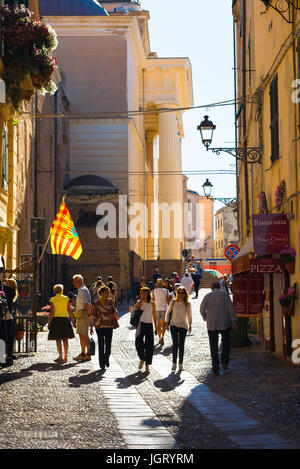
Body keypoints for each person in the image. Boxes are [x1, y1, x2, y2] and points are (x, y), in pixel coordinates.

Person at [200, 282, 237, 376]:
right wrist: (234, 321)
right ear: (219, 287)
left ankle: (215, 366)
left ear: (211, 288)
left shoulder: (207, 296)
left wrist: (205, 317)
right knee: (226, 342)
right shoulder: (225, 295)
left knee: (213, 345)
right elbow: (230, 308)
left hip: (212, 323)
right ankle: (224, 361)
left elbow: (201, 309)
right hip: (224, 322)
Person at [165, 286, 192, 373]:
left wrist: (190, 325)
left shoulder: (187, 303)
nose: (180, 294)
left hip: (183, 325)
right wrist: (166, 323)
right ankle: (174, 364)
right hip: (173, 324)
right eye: (179, 292)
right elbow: (168, 312)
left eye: (182, 293)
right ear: (177, 293)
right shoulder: (173, 301)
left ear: (185, 294)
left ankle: (180, 364)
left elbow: (189, 315)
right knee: (175, 344)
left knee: (181, 345)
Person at [92, 285, 119, 371]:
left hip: (109, 325)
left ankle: (106, 357)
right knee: (101, 344)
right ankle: (102, 363)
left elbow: (114, 310)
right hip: (99, 326)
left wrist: (116, 314)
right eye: (105, 293)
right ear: (101, 293)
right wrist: (91, 327)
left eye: (108, 293)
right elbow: (93, 315)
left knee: (108, 345)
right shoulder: (97, 303)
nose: (107, 294)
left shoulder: (111, 301)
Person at [48, 284, 76, 363]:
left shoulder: (52, 299)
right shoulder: (66, 298)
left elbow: (52, 312)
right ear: (62, 290)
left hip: (56, 320)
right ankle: (65, 356)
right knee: (65, 339)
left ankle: (60, 356)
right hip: (65, 320)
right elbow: (69, 311)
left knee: (58, 339)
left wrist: (49, 322)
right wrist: (73, 321)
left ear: (54, 291)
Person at [134, 287, 157, 373]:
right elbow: (135, 307)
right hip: (141, 324)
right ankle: (142, 358)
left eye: (142, 293)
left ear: (147, 293)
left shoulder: (152, 304)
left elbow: (154, 315)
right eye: (140, 293)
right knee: (138, 342)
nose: (140, 294)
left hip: (149, 325)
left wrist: (156, 326)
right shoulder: (140, 302)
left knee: (149, 345)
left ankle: (147, 364)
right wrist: (141, 299)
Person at [73, 274, 93, 361]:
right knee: (82, 334)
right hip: (82, 314)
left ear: (80, 281)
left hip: (83, 314)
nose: (74, 283)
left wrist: (89, 315)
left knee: (84, 334)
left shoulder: (82, 290)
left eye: (75, 281)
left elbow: (86, 304)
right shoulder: (83, 290)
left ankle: (87, 353)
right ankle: (83, 353)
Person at [0, 278, 19, 366]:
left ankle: (6, 357)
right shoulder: (13, 292)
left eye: (7, 282)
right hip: (8, 316)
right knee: (8, 336)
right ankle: (8, 356)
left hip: (6, 316)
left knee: (5, 336)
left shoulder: (9, 291)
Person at [152, 278, 171, 346]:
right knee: (163, 325)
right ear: (162, 284)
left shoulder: (153, 291)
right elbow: (168, 300)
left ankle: (159, 337)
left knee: (158, 325)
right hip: (164, 309)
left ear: (157, 285)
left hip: (156, 309)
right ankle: (162, 336)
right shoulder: (166, 291)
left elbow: (152, 300)